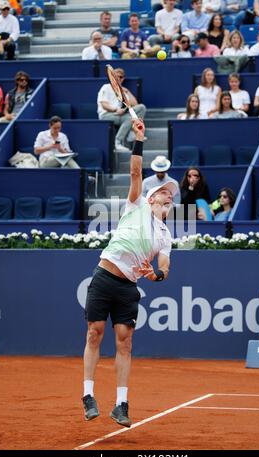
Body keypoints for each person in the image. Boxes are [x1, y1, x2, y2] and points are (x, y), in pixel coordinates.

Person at [82, 119, 178, 427]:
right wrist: (139, 138)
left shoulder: (165, 235)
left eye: (172, 196)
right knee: (94, 333)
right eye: (165, 194)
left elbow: (165, 264)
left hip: (128, 288)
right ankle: (88, 395)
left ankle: (121, 404)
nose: (169, 197)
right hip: (104, 276)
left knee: (125, 342)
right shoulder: (135, 204)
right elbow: (136, 171)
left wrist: (157, 276)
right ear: (152, 198)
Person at [97, 68, 146, 152]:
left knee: (141, 107)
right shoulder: (106, 87)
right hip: (106, 114)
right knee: (129, 118)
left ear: (123, 78)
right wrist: (116, 109)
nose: (118, 78)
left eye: (121, 77)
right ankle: (117, 142)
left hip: (119, 113)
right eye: (116, 76)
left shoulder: (122, 90)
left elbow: (135, 104)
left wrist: (126, 91)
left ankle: (132, 132)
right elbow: (103, 104)